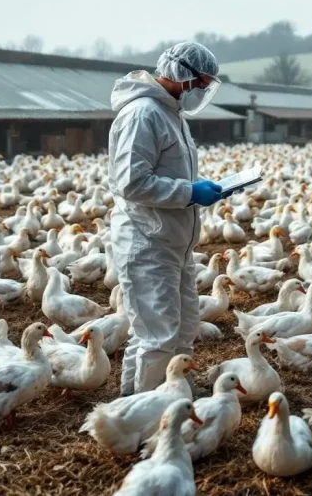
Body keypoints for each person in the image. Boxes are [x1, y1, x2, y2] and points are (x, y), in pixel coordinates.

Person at [108, 42, 225, 395]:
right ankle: (146, 417)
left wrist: (199, 190)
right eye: (200, 84)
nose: (202, 91)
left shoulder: (171, 113)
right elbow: (131, 182)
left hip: (175, 242)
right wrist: (190, 192)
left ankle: (161, 399)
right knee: (157, 336)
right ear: (182, 75)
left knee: (182, 329)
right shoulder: (143, 114)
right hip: (148, 242)